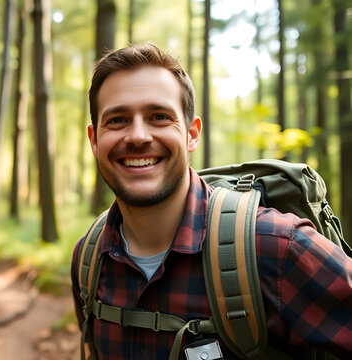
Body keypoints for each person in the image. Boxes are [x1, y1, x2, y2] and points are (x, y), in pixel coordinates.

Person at [71, 42, 352, 359]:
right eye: (118, 119)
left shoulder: (278, 248)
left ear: (192, 134)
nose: (137, 136)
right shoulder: (89, 260)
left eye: (159, 116)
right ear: (95, 140)